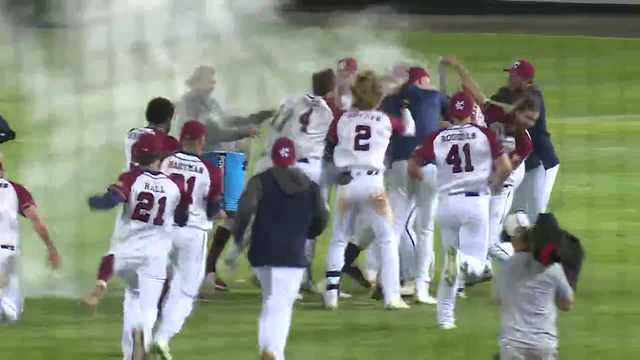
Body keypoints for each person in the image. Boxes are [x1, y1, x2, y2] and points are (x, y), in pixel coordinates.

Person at [408, 91, 512, 329]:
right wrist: (494, 184)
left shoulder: (438, 137)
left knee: (448, 266)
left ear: (451, 112)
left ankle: (445, 319)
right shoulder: (484, 134)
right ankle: (463, 262)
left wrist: (434, 182)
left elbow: (413, 166)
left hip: (446, 204)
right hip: (475, 203)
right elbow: (505, 166)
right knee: (474, 265)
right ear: (471, 112)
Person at [88, 133, 189, 360]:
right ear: (159, 156)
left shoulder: (131, 178)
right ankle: (142, 333)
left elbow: (110, 201)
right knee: (149, 305)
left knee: (132, 294)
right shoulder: (175, 185)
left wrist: (95, 201)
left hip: (126, 254)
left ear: (135, 156)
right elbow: (182, 218)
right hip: (155, 257)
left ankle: (130, 353)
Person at [323, 70, 414, 310]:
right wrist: (405, 107)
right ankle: (392, 297)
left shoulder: (342, 119)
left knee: (339, 239)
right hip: (374, 184)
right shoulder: (384, 120)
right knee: (386, 238)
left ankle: (331, 294)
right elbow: (408, 129)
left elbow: (331, 142)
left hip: (347, 181)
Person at [178, 65, 274, 292]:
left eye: (213, 80)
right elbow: (213, 133)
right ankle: (193, 273)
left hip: (215, 164)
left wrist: (257, 117)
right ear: (196, 82)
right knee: (203, 220)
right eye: (208, 80)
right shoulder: (190, 104)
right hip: (198, 166)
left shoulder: (210, 103)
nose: (213, 84)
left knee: (229, 215)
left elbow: (225, 121)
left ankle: (207, 269)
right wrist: (244, 132)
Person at [234, 137, 329, 360]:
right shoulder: (310, 186)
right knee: (281, 306)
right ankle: (273, 352)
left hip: (261, 252)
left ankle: (268, 350)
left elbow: (245, 209)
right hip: (292, 254)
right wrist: (309, 233)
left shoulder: (260, 180)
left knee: (271, 301)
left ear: (273, 158)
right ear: (293, 158)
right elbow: (323, 217)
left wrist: (238, 236)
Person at [83, 97, 181, 307]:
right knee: (163, 255)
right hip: (161, 196)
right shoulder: (170, 142)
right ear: (169, 118)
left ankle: (102, 284)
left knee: (117, 248)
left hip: (131, 190)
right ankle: (158, 302)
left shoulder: (132, 133)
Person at [441, 56, 539, 265]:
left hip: (502, 186)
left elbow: (507, 169)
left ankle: (531, 267)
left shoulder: (525, 143)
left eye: (533, 121)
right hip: (487, 180)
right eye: (528, 118)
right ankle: (475, 271)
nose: (530, 124)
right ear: (518, 111)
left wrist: (488, 185)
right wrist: (458, 67)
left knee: (490, 242)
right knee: (476, 235)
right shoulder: (496, 111)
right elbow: (476, 93)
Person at [248, 68, 336, 291]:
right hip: (308, 168)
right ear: (330, 89)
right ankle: (299, 277)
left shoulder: (291, 100)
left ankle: (264, 269)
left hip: (279, 161)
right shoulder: (327, 111)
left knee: (273, 218)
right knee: (307, 223)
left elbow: (275, 126)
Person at [151, 121, 223, 359]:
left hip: (164, 228)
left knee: (153, 279)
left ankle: (139, 329)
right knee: (186, 289)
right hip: (193, 233)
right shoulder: (211, 170)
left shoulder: (165, 161)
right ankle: (162, 338)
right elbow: (212, 208)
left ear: (182, 139)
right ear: (202, 141)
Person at [496, 213, 575, 359]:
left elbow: (499, 300)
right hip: (544, 345)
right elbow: (567, 304)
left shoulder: (505, 268)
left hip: (512, 345)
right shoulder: (552, 267)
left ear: (513, 240)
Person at [492, 59, 559, 223]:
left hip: (542, 163)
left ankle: (544, 247)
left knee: (536, 213)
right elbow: (489, 105)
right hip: (523, 163)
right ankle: (514, 247)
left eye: (513, 76)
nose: (509, 78)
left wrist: (491, 104)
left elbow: (513, 109)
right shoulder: (506, 92)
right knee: (511, 214)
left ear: (526, 80)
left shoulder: (534, 96)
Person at [0, 153, 60, 323]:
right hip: (7, 254)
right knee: (12, 311)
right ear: (2, 169)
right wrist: (51, 248)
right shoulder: (16, 189)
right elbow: (36, 220)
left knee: (10, 309)